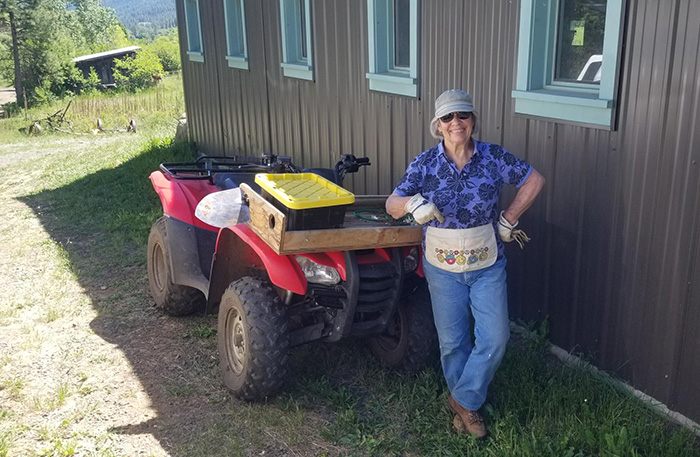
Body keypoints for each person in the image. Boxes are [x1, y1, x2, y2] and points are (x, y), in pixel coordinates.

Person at [386, 89, 545, 438]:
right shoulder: (425, 163)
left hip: (487, 264)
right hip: (442, 268)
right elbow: (391, 202)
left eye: (463, 115)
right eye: (448, 117)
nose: (456, 122)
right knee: (453, 341)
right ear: (438, 126)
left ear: (473, 120)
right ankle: (469, 407)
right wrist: (412, 204)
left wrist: (509, 217)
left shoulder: (492, 157)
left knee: (496, 336)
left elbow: (534, 179)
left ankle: (462, 398)